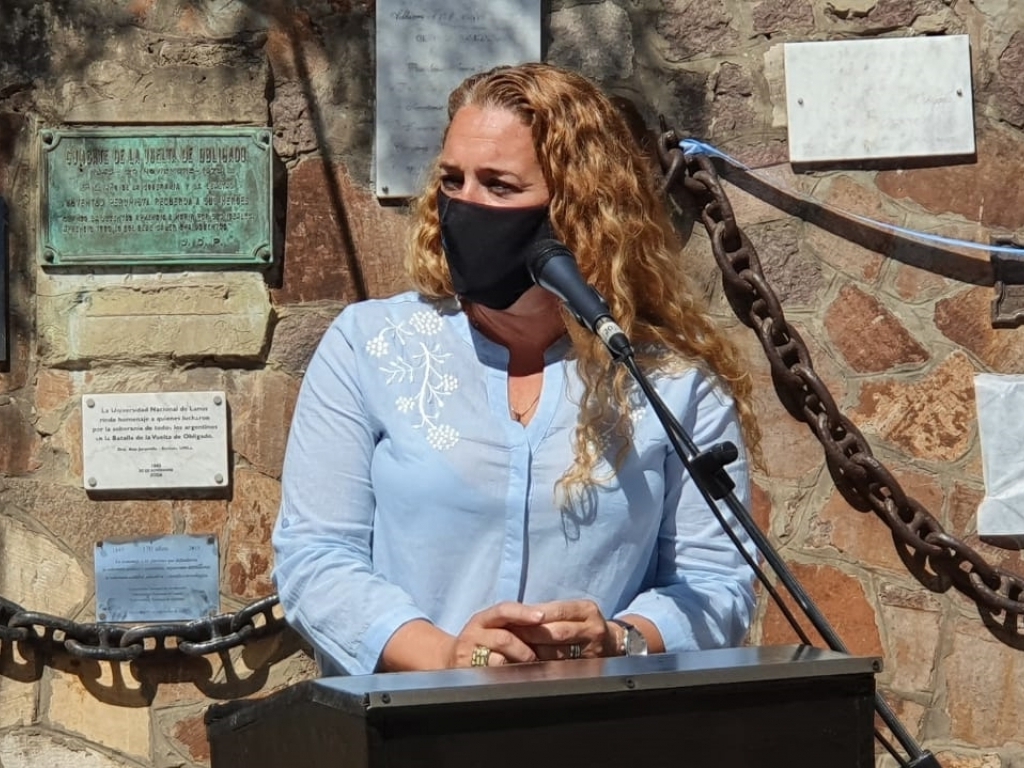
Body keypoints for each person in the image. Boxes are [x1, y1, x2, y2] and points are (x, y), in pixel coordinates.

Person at [271, 62, 762, 676]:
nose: (464, 206)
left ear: (578, 211)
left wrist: (619, 639)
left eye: (499, 186)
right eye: (452, 180)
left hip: (597, 718)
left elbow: (717, 582)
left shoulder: (671, 381)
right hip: (411, 717)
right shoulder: (367, 346)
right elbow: (315, 557)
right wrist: (445, 656)